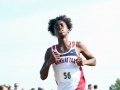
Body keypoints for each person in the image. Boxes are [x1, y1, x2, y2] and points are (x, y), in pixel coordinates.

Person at [40, 15, 96, 90]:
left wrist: (84, 62)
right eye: (56, 26)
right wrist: (49, 62)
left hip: (79, 88)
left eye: (62, 25)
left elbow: (94, 61)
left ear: (68, 29)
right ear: (54, 32)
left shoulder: (78, 45)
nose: (59, 27)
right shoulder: (50, 51)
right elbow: (42, 77)